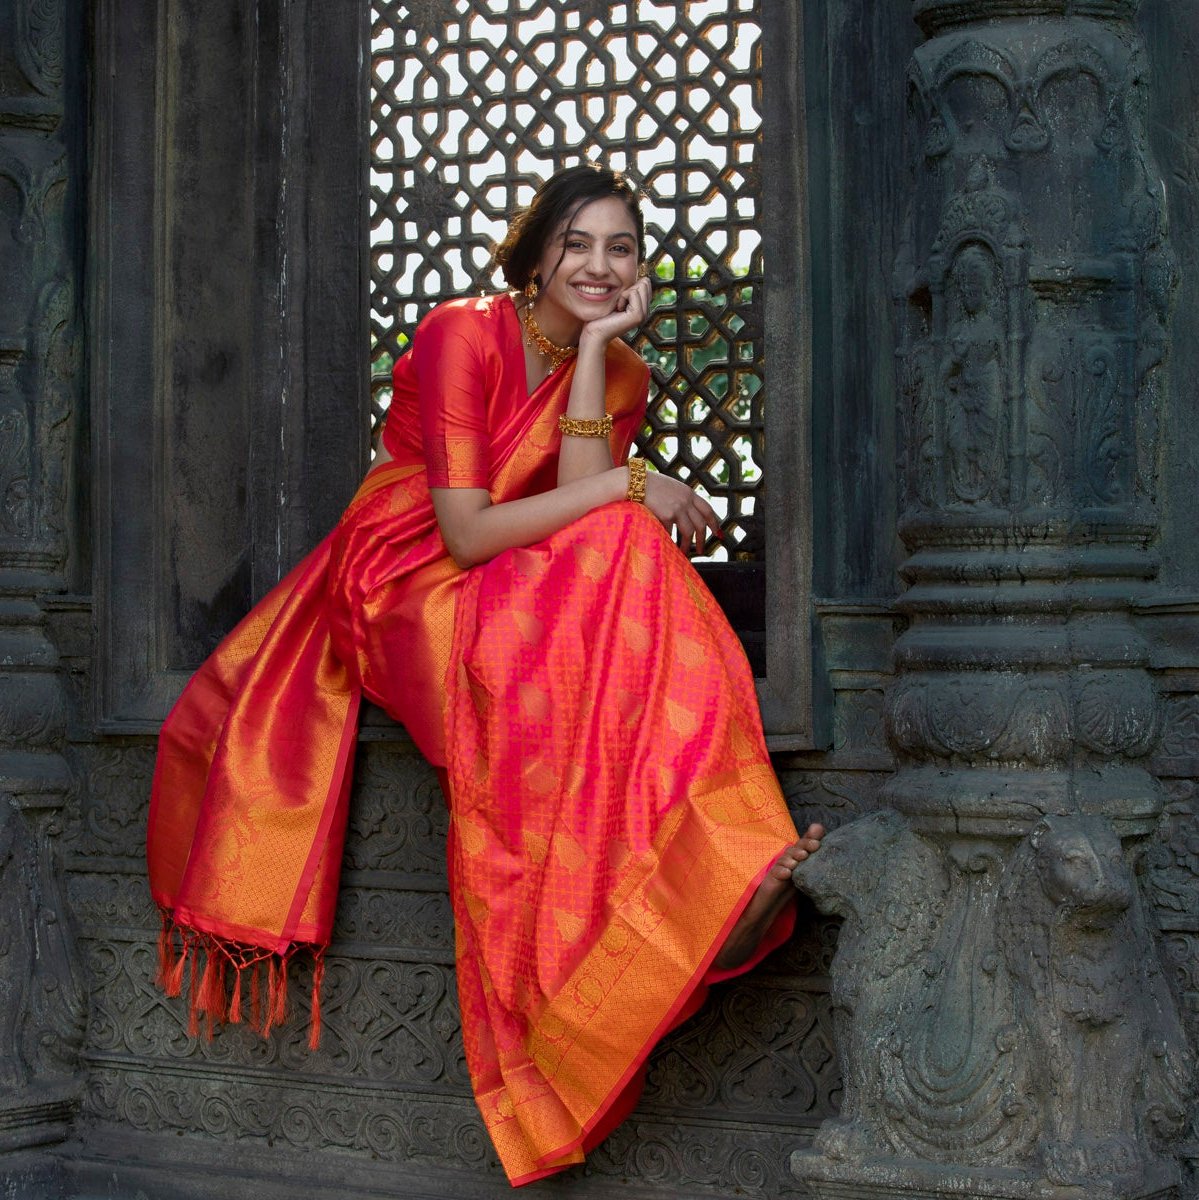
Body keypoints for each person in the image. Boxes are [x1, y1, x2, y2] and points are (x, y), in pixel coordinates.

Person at [147, 163, 823, 1187]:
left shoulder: (624, 373)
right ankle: (615, 950)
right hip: (407, 573)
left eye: (622, 248)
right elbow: (466, 531)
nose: (600, 266)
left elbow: (587, 508)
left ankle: (714, 878)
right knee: (612, 556)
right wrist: (634, 485)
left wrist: (597, 356)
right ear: (535, 250)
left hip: (521, 574)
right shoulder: (460, 332)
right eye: (578, 244)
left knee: (632, 554)